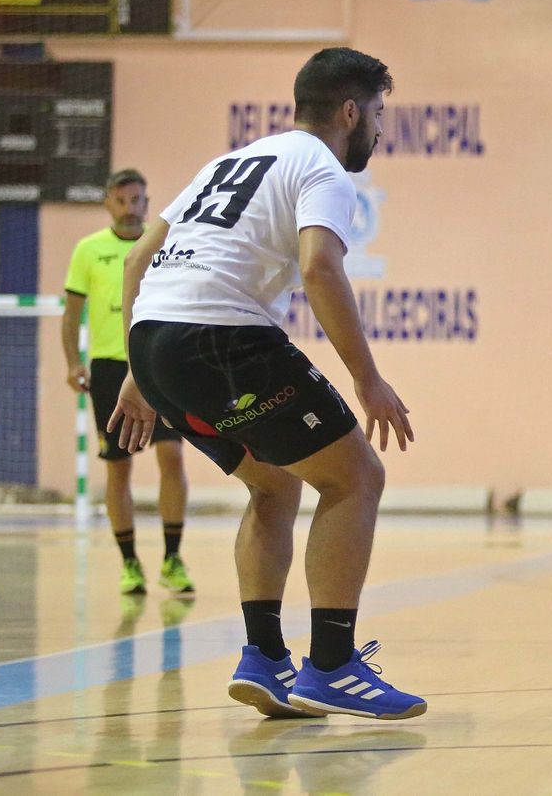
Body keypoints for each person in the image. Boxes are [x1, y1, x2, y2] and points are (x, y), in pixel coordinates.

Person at [108, 47, 424, 721]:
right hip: (224, 339)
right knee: (357, 478)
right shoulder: (325, 169)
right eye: (376, 115)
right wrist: (368, 382)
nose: (377, 129)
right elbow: (319, 270)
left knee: (272, 481)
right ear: (350, 111)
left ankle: (264, 657)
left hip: (156, 342)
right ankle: (332, 665)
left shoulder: (229, 162)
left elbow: (138, 259)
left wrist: (138, 371)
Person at [63, 169, 195, 597]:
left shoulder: (162, 242)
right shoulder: (88, 250)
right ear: (108, 202)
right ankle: (130, 564)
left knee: (172, 457)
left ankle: (172, 558)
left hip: (156, 363)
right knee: (118, 467)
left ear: (145, 201)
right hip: (108, 369)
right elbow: (71, 313)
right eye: (121, 200)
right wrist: (72, 362)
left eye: (137, 200)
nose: (129, 208)